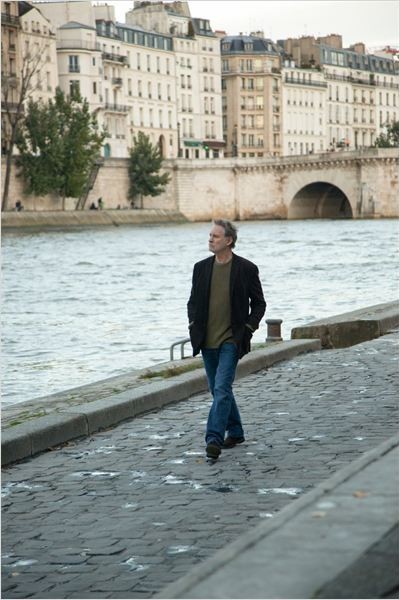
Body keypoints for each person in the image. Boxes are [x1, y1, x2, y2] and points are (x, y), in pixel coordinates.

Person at [187, 219, 266, 460]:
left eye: (216, 236)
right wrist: (192, 324)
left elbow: (259, 304)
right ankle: (236, 431)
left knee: (221, 388)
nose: (210, 239)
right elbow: (192, 302)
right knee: (217, 389)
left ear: (229, 240)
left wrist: (248, 328)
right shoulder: (200, 268)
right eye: (210, 235)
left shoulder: (246, 269)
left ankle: (213, 439)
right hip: (206, 340)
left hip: (231, 340)